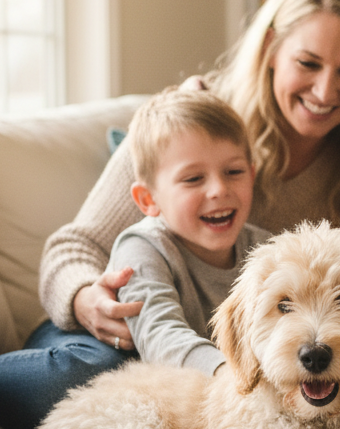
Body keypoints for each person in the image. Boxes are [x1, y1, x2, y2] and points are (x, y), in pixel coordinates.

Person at [0, 0, 340, 429]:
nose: (324, 90)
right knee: (95, 381)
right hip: (116, 340)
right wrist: (84, 299)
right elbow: (74, 246)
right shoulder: (194, 122)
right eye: (308, 63)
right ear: (273, 47)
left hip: (213, 379)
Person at [106, 89, 269, 375]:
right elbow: (161, 337)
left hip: (217, 380)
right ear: (149, 199)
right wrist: (225, 375)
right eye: (193, 178)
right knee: (78, 369)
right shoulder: (142, 248)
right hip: (98, 349)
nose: (219, 189)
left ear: (252, 175)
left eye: (234, 172)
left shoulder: (266, 249)